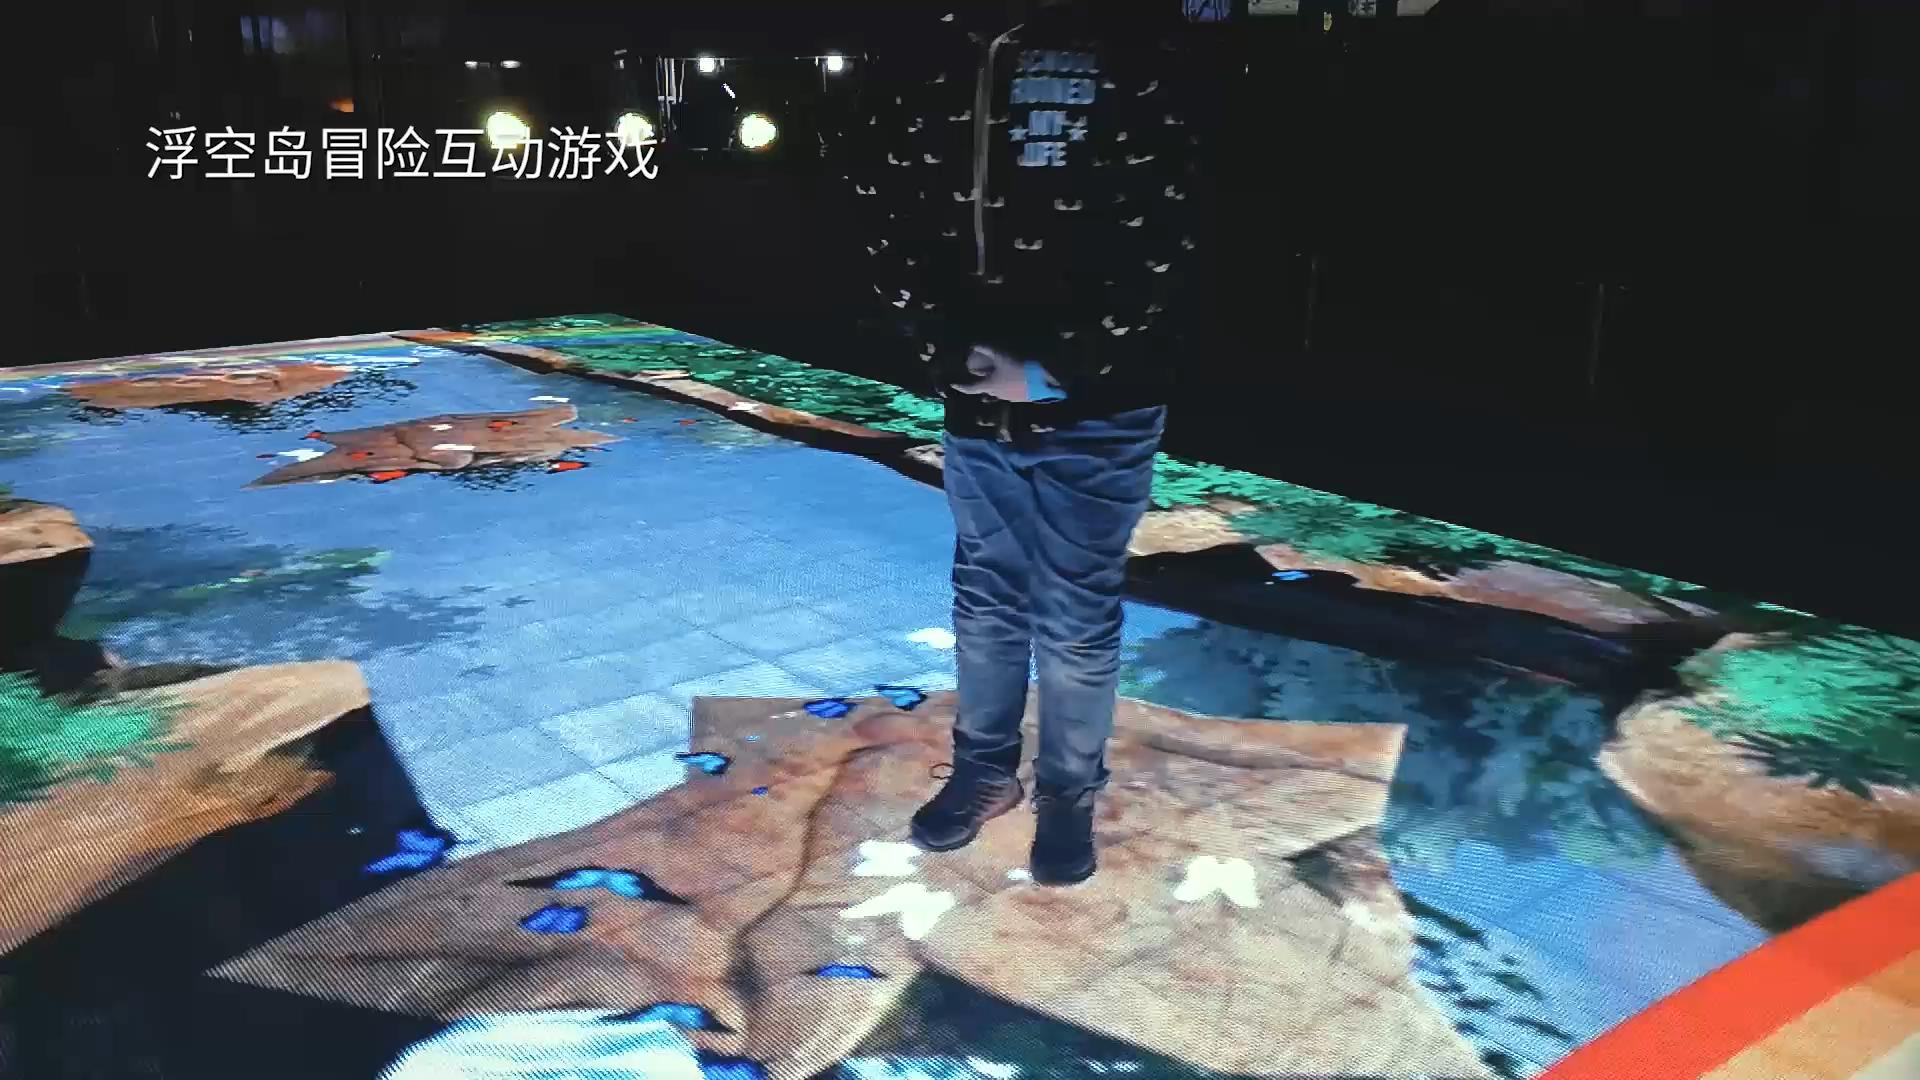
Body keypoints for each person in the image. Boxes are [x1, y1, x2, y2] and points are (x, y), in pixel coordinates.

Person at [844, 1, 1216, 885]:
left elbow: (1168, 226)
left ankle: (1068, 791)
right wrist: (945, 350)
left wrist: (1054, 369)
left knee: (1076, 617)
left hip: (1100, 405)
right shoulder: (925, 46)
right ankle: (985, 771)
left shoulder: (1128, 41)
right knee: (985, 601)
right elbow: (885, 213)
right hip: (976, 399)